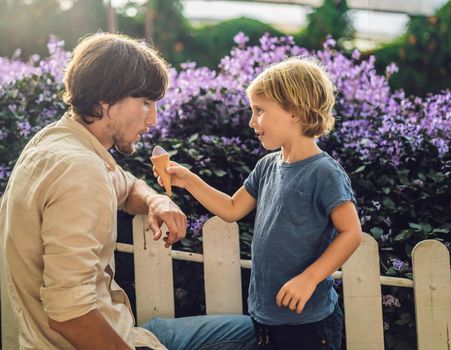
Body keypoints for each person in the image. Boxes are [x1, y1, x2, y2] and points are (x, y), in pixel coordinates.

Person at [0, 33, 255, 350]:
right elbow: (69, 315)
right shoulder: (80, 170)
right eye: (145, 103)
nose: (154, 119)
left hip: (123, 329)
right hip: (107, 340)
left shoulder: (57, 141)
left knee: (245, 330)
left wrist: (156, 199)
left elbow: (127, 185)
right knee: (254, 336)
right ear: (105, 102)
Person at [155, 57, 363, 350]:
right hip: (267, 317)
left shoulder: (324, 173)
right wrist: (189, 180)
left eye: (259, 111)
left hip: (309, 324)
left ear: (293, 110)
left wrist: (309, 279)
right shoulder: (267, 166)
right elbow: (231, 208)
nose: (252, 122)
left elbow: (351, 233)